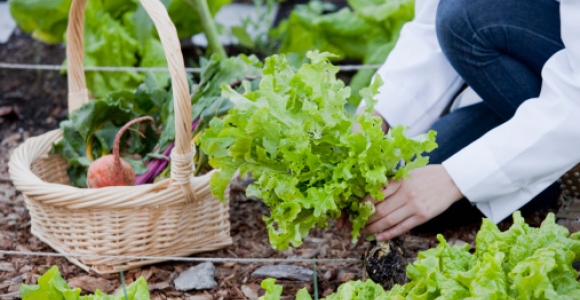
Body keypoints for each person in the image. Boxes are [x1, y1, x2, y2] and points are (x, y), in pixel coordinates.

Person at [354, 0, 580, 241]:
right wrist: (373, 119)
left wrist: (455, 179)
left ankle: (563, 167)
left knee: (468, 16)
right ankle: (553, 172)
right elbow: (430, 28)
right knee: (411, 197)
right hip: (548, 79)